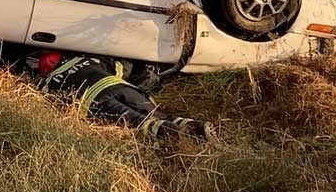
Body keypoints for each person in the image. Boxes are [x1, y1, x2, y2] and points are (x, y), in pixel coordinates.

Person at [25, 50, 215, 141]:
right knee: (155, 114)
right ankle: (193, 127)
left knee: (140, 122)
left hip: (96, 102)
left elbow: (47, 106)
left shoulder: (47, 83)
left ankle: (171, 138)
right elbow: (119, 68)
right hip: (118, 86)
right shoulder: (87, 58)